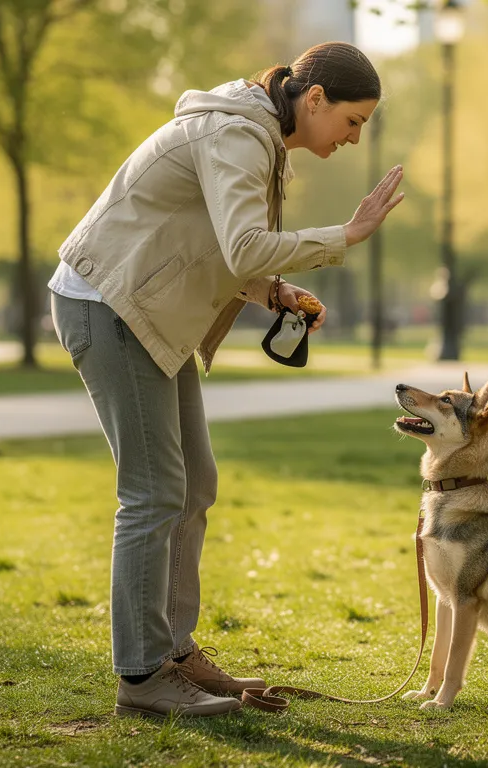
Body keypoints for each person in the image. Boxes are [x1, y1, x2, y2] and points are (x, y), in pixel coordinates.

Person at [47, 42, 404, 720]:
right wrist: (347, 234)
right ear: (316, 98)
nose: (355, 139)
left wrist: (272, 292)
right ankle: (142, 676)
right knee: (153, 492)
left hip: (143, 309)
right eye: (353, 121)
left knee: (193, 484)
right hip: (109, 304)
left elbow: (216, 246)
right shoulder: (238, 134)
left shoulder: (256, 135)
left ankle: (175, 654)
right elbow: (240, 245)